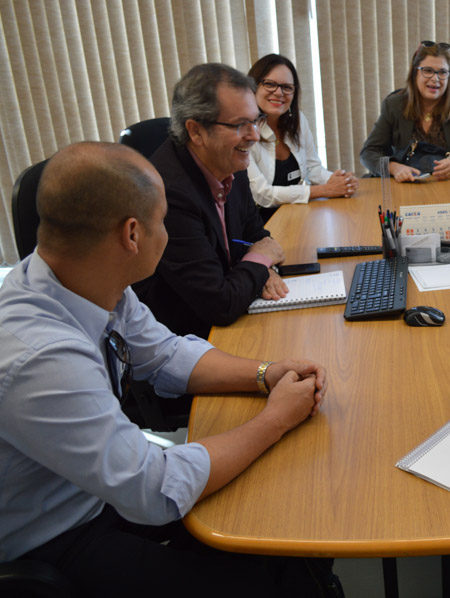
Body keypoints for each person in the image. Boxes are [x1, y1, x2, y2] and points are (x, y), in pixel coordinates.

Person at [0, 141, 341, 597]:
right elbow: (154, 489)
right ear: (133, 234)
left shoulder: (81, 279)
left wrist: (267, 373)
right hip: (51, 539)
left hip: (95, 490)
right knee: (271, 579)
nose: (170, 230)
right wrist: (276, 418)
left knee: (283, 525)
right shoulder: (39, 356)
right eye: (164, 220)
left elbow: (164, 353)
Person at [134, 63, 289, 339]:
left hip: (233, 315)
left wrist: (264, 267)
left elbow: (256, 236)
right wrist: (261, 262)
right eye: (240, 124)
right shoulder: (167, 194)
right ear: (195, 131)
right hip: (183, 339)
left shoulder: (229, 162)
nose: (254, 135)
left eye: (255, 121)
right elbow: (219, 303)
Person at [247, 54, 358, 222]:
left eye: (287, 87)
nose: (279, 93)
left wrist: (341, 182)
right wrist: (324, 190)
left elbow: (312, 169)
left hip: (296, 216)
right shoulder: (245, 131)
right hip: (259, 225)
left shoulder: (298, 121)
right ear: (254, 86)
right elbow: (261, 194)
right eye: (269, 84)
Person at [359, 41, 450, 181]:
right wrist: (394, 167)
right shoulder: (394, 104)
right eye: (427, 71)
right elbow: (369, 152)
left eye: (442, 72)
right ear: (415, 72)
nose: (435, 79)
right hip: (408, 183)